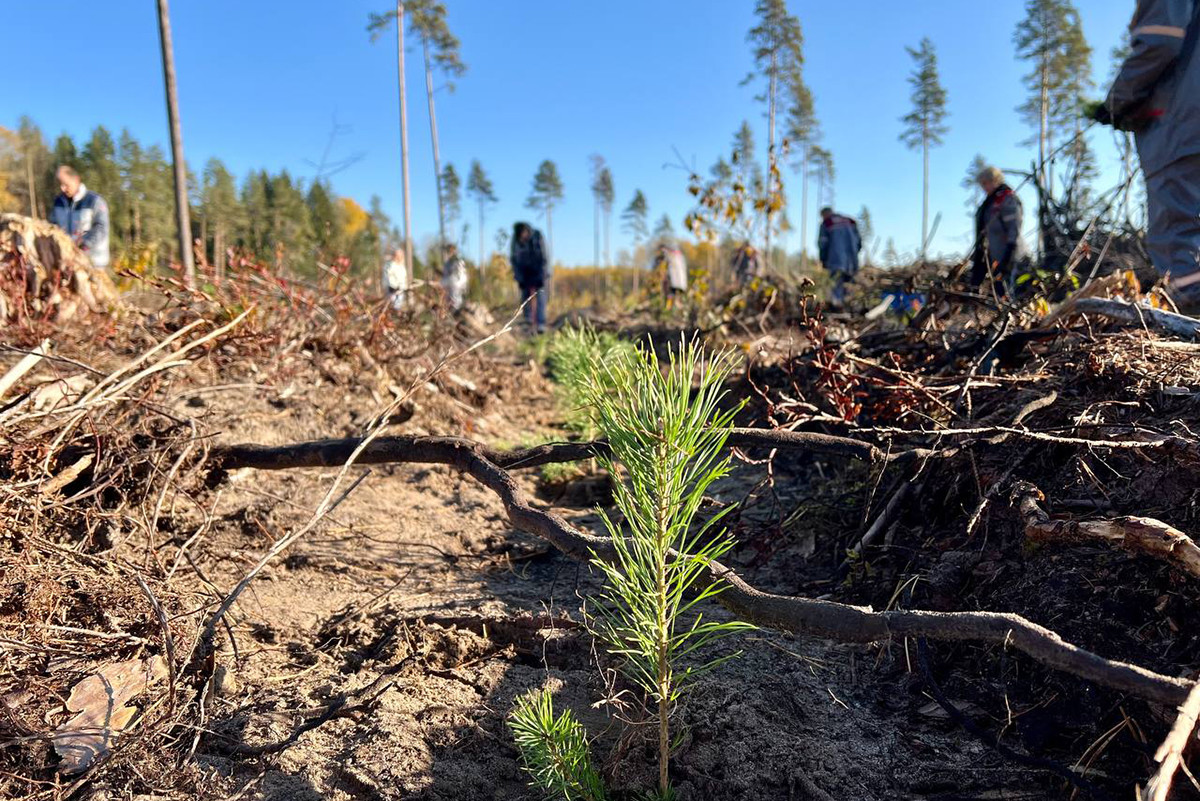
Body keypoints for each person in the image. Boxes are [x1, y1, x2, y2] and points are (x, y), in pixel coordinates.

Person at [1096, 0, 1200, 304]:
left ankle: (1191, 316)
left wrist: (1115, 104)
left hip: (1181, 124)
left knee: (1177, 229)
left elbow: (1159, 43)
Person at [970, 166, 1028, 296]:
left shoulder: (1007, 199)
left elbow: (1014, 227)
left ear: (995, 180)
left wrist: (1009, 254)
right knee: (996, 289)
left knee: (1010, 290)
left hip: (1009, 255)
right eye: (981, 184)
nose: (983, 187)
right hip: (992, 254)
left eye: (985, 183)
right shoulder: (990, 202)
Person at [49, 165, 110, 270]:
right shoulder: (57, 202)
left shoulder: (95, 201)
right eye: (60, 185)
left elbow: (101, 228)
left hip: (94, 263)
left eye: (65, 184)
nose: (62, 188)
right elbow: (53, 226)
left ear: (76, 179)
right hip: (68, 263)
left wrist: (84, 245)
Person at [817, 207, 862, 308]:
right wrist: (854, 254)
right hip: (852, 261)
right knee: (850, 285)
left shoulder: (827, 223)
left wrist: (823, 259)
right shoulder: (850, 221)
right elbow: (859, 242)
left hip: (835, 260)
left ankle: (838, 307)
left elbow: (823, 243)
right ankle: (851, 307)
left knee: (836, 283)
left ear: (825, 214)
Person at [510, 222, 548, 333]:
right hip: (525, 273)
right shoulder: (515, 240)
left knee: (540, 297)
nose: (523, 238)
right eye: (520, 237)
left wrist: (543, 275)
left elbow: (545, 257)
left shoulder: (537, 236)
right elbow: (514, 260)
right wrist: (519, 279)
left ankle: (541, 324)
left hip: (539, 272)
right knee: (525, 298)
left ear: (527, 231)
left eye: (523, 235)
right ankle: (528, 323)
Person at [442, 242, 469, 312]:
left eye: (450, 251)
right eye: (448, 251)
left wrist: (442, 283)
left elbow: (460, 278)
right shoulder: (447, 264)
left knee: (455, 304)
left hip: (456, 291)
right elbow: (445, 275)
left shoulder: (458, 262)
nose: (448, 253)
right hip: (449, 293)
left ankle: (456, 311)